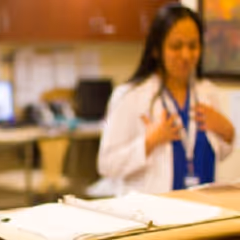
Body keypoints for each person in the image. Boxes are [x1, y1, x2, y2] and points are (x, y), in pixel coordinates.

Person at [91, 3, 235, 196]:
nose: (186, 55)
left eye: (193, 46)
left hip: (203, 213)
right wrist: (148, 142)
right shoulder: (131, 96)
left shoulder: (208, 94)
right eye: (176, 46)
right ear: (156, 50)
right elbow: (107, 165)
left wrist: (227, 132)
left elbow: (218, 154)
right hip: (152, 215)